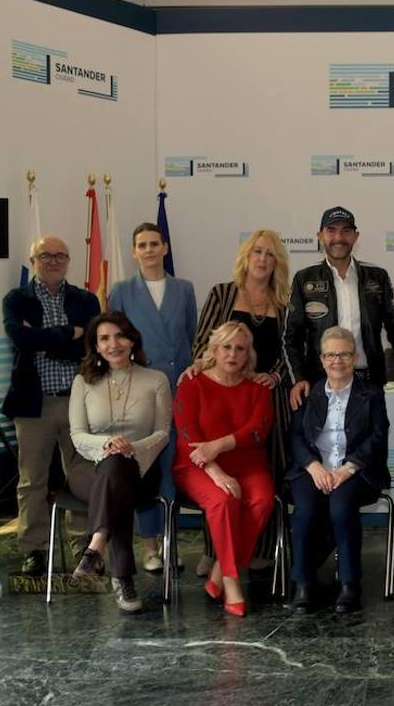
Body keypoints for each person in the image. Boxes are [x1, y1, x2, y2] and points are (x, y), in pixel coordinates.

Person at [181, 229, 291, 577]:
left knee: (264, 475)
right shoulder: (222, 294)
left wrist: (273, 376)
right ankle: (216, 552)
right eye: (257, 251)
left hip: (263, 397)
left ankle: (255, 548)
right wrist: (202, 369)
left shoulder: (285, 304)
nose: (262, 259)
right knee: (218, 476)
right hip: (222, 392)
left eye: (270, 254)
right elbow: (204, 343)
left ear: (277, 262)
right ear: (246, 256)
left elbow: (290, 352)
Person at [2, 235, 100, 575]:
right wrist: (66, 334)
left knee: (83, 476)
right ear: (34, 260)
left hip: (79, 402)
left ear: (69, 260)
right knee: (33, 481)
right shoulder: (17, 299)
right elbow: (20, 339)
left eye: (61, 255)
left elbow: (90, 345)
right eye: (46, 255)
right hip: (34, 404)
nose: (54, 260)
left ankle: (84, 548)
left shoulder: (85, 300)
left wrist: (44, 339)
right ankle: (35, 550)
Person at [67, 312, 171, 613]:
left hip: (142, 466)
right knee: (114, 473)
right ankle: (121, 576)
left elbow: (163, 434)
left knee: (118, 474)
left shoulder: (156, 380)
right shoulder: (82, 382)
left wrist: (130, 448)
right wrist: (108, 445)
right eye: (104, 338)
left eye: (119, 336)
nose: (113, 344)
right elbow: (77, 434)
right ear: (96, 346)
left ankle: (96, 549)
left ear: (132, 339)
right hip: (87, 466)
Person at [109, 222, 197, 571]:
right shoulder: (121, 291)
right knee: (143, 466)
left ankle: (169, 541)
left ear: (165, 248)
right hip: (140, 390)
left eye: (154, 244)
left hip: (178, 390)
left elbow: (192, 334)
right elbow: (114, 341)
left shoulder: (185, 289)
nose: (148, 250)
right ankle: (149, 547)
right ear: (134, 252)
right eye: (141, 245)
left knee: (171, 465)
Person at [173, 321, 275, 617]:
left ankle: (220, 568)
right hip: (197, 465)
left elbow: (258, 431)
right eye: (226, 347)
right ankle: (231, 582)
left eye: (239, 349)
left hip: (247, 462)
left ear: (248, 355)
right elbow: (188, 437)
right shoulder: (192, 384)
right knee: (223, 499)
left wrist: (218, 445)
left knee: (262, 500)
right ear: (214, 350)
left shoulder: (257, 389)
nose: (232, 354)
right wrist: (216, 471)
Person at [287, 327, 390, 614]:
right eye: (331, 355)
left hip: (355, 471)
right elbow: (295, 436)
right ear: (321, 359)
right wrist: (313, 466)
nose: (337, 361)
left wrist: (347, 469)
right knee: (305, 509)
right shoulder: (308, 392)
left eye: (344, 354)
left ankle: (349, 584)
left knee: (341, 507)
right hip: (313, 470)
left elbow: (377, 436)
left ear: (355, 357)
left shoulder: (371, 394)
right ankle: (303, 583)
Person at [284, 205, 394, 411]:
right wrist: (298, 378)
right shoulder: (304, 279)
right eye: (331, 230)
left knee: (370, 441)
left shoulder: (377, 277)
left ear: (355, 236)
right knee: (324, 441)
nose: (339, 237)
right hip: (321, 382)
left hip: (368, 380)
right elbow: (291, 337)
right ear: (320, 236)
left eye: (346, 231)